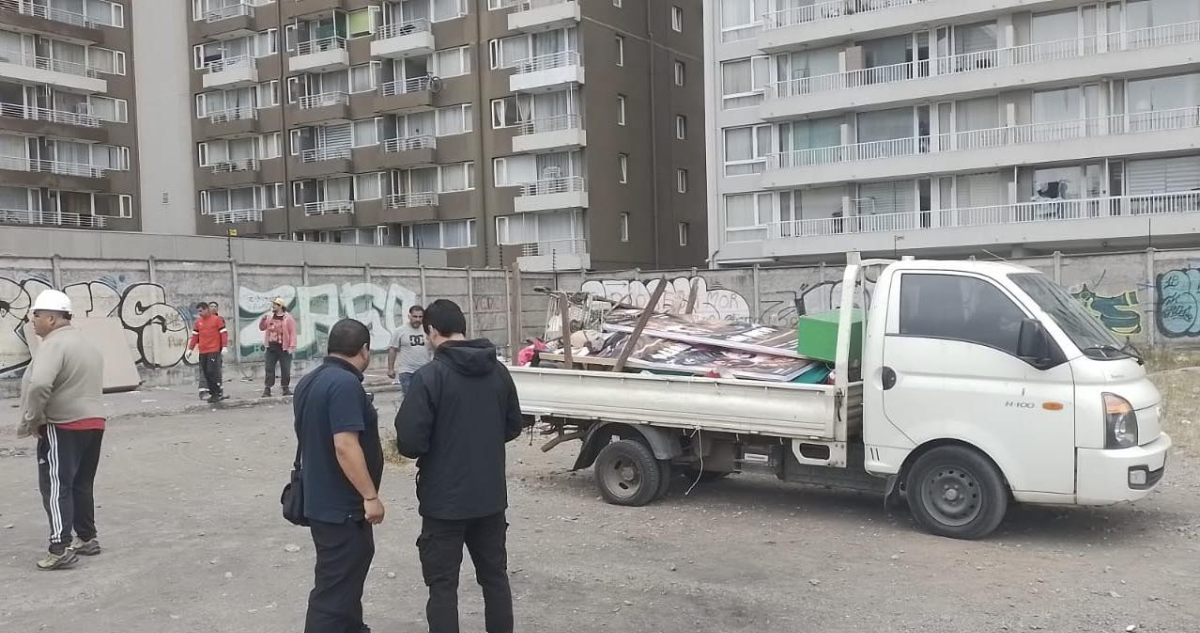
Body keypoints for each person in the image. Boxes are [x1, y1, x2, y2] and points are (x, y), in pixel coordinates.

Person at [396, 299, 524, 633]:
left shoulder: (429, 377)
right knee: (495, 579)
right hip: (490, 498)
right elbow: (513, 425)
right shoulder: (498, 371)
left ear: (432, 332)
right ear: (463, 327)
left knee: (442, 587)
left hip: (444, 502)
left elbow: (409, 443)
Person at [293, 318, 385, 633]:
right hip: (341, 506)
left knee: (344, 583)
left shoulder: (311, 380)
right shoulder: (344, 385)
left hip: (322, 501)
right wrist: (370, 496)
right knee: (333, 593)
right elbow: (345, 445)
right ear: (364, 350)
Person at [17, 290, 106, 571]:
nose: (33, 320)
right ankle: (87, 538)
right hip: (93, 423)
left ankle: (59, 548)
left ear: (53, 319)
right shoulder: (86, 344)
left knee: (56, 486)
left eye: (37, 315)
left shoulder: (54, 345)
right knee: (81, 483)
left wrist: (33, 418)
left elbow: (40, 384)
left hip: (63, 424)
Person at [188, 302, 229, 404]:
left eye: (201, 311)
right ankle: (213, 393)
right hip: (203, 351)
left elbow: (223, 333)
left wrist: (224, 346)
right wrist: (190, 349)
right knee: (206, 373)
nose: (200, 313)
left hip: (213, 350)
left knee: (212, 371)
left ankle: (216, 393)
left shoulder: (217, 320)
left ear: (206, 309)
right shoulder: (198, 322)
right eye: (198, 311)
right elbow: (195, 336)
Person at [387, 304, 431, 395]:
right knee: (410, 399)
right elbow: (393, 349)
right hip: (407, 372)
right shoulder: (400, 331)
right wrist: (390, 368)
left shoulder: (428, 330)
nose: (417, 319)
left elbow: (434, 348)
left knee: (426, 398)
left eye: (420, 317)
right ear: (409, 316)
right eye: (415, 316)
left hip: (425, 370)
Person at [260, 298, 298, 397]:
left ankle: (285, 388)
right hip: (271, 347)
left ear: (280, 306)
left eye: (275, 305)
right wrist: (263, 320)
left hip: (283, 348)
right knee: (269, 368)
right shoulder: (269, 317)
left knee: (285, 369)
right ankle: (267, 389)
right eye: (273, 304)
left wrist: (292, 346)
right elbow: (262, 328)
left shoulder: (288, 318)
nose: (273, 306)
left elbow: (292, 332)